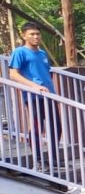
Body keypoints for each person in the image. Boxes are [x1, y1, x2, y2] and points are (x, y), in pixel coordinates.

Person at [8, 23, 58, 166]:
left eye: (37, 34)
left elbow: (47, 73)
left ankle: (53, 158)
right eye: (32, 34)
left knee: (55, 126)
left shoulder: (42, 53)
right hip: (34, 96)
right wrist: (34, 86)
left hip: (49, 95)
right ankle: (38, 159)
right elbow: (13, 74)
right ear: (24, 36)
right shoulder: (20, 52)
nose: (36, 37)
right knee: (37, 127)